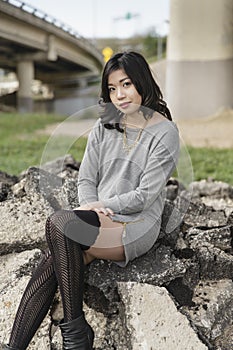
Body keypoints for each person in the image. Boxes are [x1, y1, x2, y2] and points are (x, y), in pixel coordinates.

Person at [3, 51, 180, 350]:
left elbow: (145, 196)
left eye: (126, 85)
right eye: (112, 88)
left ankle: (75, 333)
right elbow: (86, 179)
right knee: (55, 257)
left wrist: (99, 209)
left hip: (135, 223)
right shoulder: (104, 127)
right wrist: (90, 207)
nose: (119, 95)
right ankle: (18, 346)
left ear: (142, 83)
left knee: (60, 224)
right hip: (100, 217)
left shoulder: (165, 132)